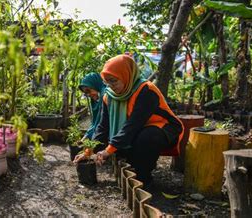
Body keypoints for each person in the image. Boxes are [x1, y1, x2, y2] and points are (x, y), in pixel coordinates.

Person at [74, 55, 183, 187]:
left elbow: (132, 125)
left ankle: (144, 179)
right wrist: (89, 151)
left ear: (126, 75)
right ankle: (136, 168)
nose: (111, 86)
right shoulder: (108, 96)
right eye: (107, 82)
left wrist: (107, 151)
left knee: (146, 138)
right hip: (136, 130)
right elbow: (103, 127)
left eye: (114, 81)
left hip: (162, 129)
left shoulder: (146, 90)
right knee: (126, 145)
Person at [78, 72, 106, 141]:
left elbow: (101, 123)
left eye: (88, 90)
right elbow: (95, 123)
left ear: (95, 84)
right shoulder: (96, 100)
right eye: (86, 93)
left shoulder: (106, 96)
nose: (88, 95)